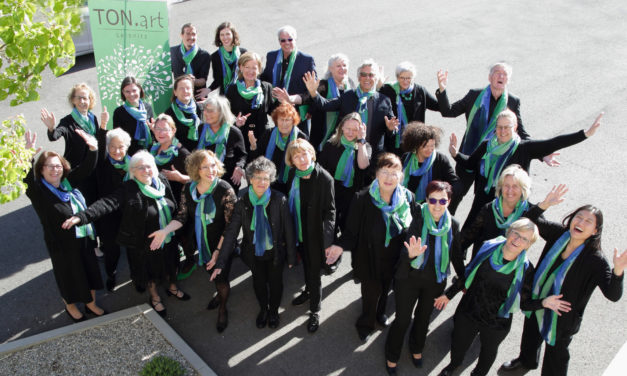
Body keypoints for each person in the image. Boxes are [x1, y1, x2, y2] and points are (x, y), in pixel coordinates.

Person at [500, 186, 625, 376]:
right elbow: (528, 220)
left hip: (563, 317)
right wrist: (543, 205)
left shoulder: (595, 260)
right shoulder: (559, 234)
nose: (581, 222)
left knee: (556, 356)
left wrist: (617, 272)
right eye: (579, 217)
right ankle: (526, 361)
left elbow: (613, 295)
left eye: (588, 221)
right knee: (531, 336)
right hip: (538, 299)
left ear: (594, 231)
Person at [63, 151, 191, 318]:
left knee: (171, 264)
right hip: (144, 243)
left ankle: (173, 288)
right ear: (133, 172)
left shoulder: (162, 181)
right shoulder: (129, 189)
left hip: (167, 237)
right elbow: (107, 203)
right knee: (149, 272)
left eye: (149, 166)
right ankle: (155, 297)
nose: (146, 170)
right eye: (141, 168)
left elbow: (173, 204)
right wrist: (82, 217)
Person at [436, 219, 552, 376]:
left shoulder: (526, 269)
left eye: (524, 238)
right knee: (458, 344)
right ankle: (453, 366)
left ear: (528, 245)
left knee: (487, 354)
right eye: (516, 233)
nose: (517, 240)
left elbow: (524, 303)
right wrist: (448, 294)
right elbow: (468, 274)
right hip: (469, 310)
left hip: (497, 321)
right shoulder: (488, 248)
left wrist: (544, 303)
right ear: (508, 232)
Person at [449, 109, 602, 229]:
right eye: (499, 127)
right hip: (483, 200)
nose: (502, 131)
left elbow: (554, 142)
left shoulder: (524, 148)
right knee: (470, 235)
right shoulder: (487, 145)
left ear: (515, 127)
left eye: (507, 127)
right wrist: (455, 154)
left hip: (512, 204)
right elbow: (471, 163)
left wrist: (585, 134)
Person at [326, 153, 417, 341]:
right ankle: (365, 322)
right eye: (385, 172)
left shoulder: (408, 197)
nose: (389, 178)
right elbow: (351, 232)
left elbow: (413, 227)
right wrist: (339, 247)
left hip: (395, 257)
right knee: (370, 292)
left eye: (395, 173)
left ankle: (380, 313)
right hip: (370, 257)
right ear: (376, 174)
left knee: (386, 288)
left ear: (401, 176)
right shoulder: (362, 199)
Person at [149, 150, 237, 333]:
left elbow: (231, 227)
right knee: (211, 273)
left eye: (213, 165)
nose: (210, 170)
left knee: (221, 279)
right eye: (204, 167)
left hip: (222, 244)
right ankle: (220, 296)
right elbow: (181, 216)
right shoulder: (189, 189)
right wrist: (165, 231)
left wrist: (218, 252)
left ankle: (222, 307)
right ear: (196, 169)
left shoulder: (225, 190)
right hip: (201, 243)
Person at [24, 129, 105, 322]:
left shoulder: (67, 184)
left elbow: (86, 168)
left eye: (58, 166)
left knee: (89, 271)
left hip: (83, 238)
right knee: (69, 276)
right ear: (41, 170)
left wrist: (93, 148)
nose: (55, 170)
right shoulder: (40, 192)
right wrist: (27, 156)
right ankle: (70, 305)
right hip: (61, 245)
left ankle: (90, 303)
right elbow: (26, 180)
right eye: (49, 167)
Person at [384, 181, 464, 375]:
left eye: (442, 200)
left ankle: (416, 347)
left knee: (423, 318)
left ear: (449, 201)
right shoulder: (417, 217)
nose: (437, 205)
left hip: (434, 281)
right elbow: (402, 254)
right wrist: (411, 255)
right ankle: (391, 354)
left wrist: (463, 279)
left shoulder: (453, 224)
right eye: (433, 200)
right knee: (402, 320)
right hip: (409, 278)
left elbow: (456, 254)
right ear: (426, 199)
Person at [211, 157, 296, 329]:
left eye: (266, 178)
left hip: (275, 253)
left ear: (271, 180)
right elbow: (231, 233)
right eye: (257, 177)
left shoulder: (280, 199)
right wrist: (221, 261)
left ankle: (273, 311)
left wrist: (292, 257)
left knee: (275, 283)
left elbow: (288, 230)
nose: (261, 182)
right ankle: (263, 309)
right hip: (253, 253)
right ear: (249, 179)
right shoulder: (242, 202)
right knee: (258, 282)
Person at [435, 62, 532, 203]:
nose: (501, 76)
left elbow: (520, 131)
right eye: (497, 73)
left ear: (508, 80)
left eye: (505, 74)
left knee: (482, 202)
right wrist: (442, 90)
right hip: (468, 155)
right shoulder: (474, 95)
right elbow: (449, 111)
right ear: (489, 77)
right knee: (455, 194)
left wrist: (543, 154)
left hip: (493, 161)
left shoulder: (513, 101)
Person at [285, 139, 335, 333]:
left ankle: (315, 309)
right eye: (296, 156)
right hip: (298, 231)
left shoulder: (324, 178)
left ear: (312, 154)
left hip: (315, 234)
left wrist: (327, 240)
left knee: (314, 272)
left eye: (304, 154)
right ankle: (307, 291)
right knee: (306, 265)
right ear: (292, 160)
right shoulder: (293, 175)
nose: (302, 159)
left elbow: (331, 212)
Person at [304, 59, 397, 158]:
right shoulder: (348, 96)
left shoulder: (384, 101)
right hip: (347, 152)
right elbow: (326, 105)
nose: (367, 78)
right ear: (358, 77)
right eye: (363, 74)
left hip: (373, 154)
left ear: (376, 78)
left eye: (371, 75)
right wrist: (313, 92)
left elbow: (392, 129)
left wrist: (390, 128)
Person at [41, 83, 109, 203]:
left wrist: (103, 125)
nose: (83, 101)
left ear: (90, 100)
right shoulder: (67, 121)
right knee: (84, 200)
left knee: (97, 197)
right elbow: (56, 135)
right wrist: (51, 129)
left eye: (86, 98)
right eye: (79, 98)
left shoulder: (92, 118)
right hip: (79, 171)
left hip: (93, 165)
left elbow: (97, 140)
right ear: (73, 100)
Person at [149, 114, 194, 276]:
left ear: (173, 131)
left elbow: (197, 179)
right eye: (157, 129)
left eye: (165, 129)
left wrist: (181, 178)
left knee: (183, 233)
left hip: (181, 201)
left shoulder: (181, 153)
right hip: (164, 199)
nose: (160, 132)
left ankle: (190, 260)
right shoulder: (154, 149)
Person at [317, 112, 371, 244]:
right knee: (331, 225)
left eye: (355, 129)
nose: (350, 133)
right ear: (341, 127)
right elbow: (321, 169)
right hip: (333, 190)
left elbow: (363, 165)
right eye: (348, 128)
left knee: (348, 225)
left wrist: (361, 142)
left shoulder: (364, 146)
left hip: (352, 192)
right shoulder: (331, 144)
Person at [461, 164, 534, 259]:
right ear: (500, 187)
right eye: (506, 186)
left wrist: (544, 206)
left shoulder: (529, 212)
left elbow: (549, 231)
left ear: (523, 189)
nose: (510, 191)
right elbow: (469, 236)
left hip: (508, 268)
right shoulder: (489, 208)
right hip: (482, 263)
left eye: (515, 186)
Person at [93, 125, 132, 291]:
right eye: (113, 147)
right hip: (108, 214)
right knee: (111, 248)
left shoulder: (133, 164)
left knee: (132, 246)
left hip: (128, 213)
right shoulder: (101, 165)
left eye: (121, 147)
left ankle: (137, 276)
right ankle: (111, 274)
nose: (117, 151)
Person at [379, 62, 439, 156]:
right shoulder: (388, 90)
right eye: (402, 78)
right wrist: (378, 86)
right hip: (393, 143)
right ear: (397, 77)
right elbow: (374, 100)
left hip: (414, 142)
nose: (405, 81)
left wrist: (442, 90)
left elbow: (439, 107)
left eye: (408, 78)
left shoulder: (419, 91)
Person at [248, 103, 308, 195]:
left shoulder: (300, 137)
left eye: (287, 120)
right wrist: (253, 146)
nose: (284, 124)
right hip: (269, 180)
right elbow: (257, 158)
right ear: (276, 120)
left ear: (293, 121)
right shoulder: (268, 133)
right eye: (281, 120)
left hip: (291, 183)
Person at [260, 25, 316, 122]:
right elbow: (265, 79)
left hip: (298, 112)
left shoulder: (306, 60)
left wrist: (291, 99)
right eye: (283, 40)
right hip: (278, 111)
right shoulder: (271, 56)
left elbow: (313, 89)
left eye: (290, 39)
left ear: (295, 40)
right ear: (279, 41)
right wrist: (257, 70)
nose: (287, 43)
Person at [400, 122, 460, 211]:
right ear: (416, 145)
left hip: (430, 210)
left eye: (432, 146)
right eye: (426, 146)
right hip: (407, 208)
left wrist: (442, 202)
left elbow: (457, 185)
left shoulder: (440, 160)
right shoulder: (406, 158)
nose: (430, 149)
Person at [225, 52, 275, 153]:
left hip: (262, 136)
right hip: (240, 136)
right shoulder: (232, 89)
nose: (250, 71)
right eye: (247, 67)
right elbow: (226, 115)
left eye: (254, 68)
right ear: (241, 67)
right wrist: (236, 122)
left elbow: (273, 111)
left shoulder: (266, 87)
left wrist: (285, 102)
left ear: (259, 70)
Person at [306, 53, 355, 151]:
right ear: (330, 69)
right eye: (338, 66)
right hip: (322, 134)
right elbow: (310, 99)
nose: (342, 68)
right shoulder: (323, 85)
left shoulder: (350, 83)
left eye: (344, 65)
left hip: (345, 135)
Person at [197, 96, 247, 191]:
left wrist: (238, 167)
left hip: (227, 183)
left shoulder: (233, 132)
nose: (206, 113)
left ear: (221, 113)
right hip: (203, 181)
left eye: (211, 111)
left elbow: (242, 155)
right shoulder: (201, 129)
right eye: (205, 110)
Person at [112, 76, 155, 156]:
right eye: (127, 91)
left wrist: (154, 129)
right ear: (123, 93)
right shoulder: (119, 112)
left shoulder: (147, 107)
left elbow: (153, 134)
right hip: (131, 155)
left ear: (139, 89)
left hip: (149, 152)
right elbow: (118, 139)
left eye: (134, 90)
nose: (131, 94)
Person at [205, 22, 248, 96]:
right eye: (222, 35)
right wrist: (209, 89)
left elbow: (248, 75)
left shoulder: (243, 53)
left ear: (233, 35)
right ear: (219, 37)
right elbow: (218, 80)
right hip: (225, 96)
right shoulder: (215, 56)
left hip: (242, 94)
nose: (225, 37)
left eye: (228, 34)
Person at [165, 74, 203, 152]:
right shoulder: (169, 113)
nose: (185, 91)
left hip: (200, 151)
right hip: (180, 153)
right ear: (175, 92)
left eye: (188, 88)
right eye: (181, 88)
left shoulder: (199, 109)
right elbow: (170, 138)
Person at [170, 23, 211, 92]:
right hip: (180, 94)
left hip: (198, 95)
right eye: (188, 34)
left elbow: (203, 80)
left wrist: (193, 81)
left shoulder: (204, 55)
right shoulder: (172, 52)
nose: (191, 37)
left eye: (193, 34)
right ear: (182, 35)